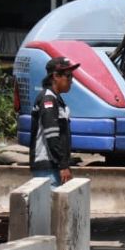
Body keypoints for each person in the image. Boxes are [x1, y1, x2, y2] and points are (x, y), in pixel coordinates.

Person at [29, 55, 78, 187]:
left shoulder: (57, 100)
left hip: (54, 166)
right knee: (48, 207)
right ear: (56, 76)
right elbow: (52, 137)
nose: (71, 81)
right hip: (48, 167)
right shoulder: (48, 100)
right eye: (68, 76)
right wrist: (62, 165)